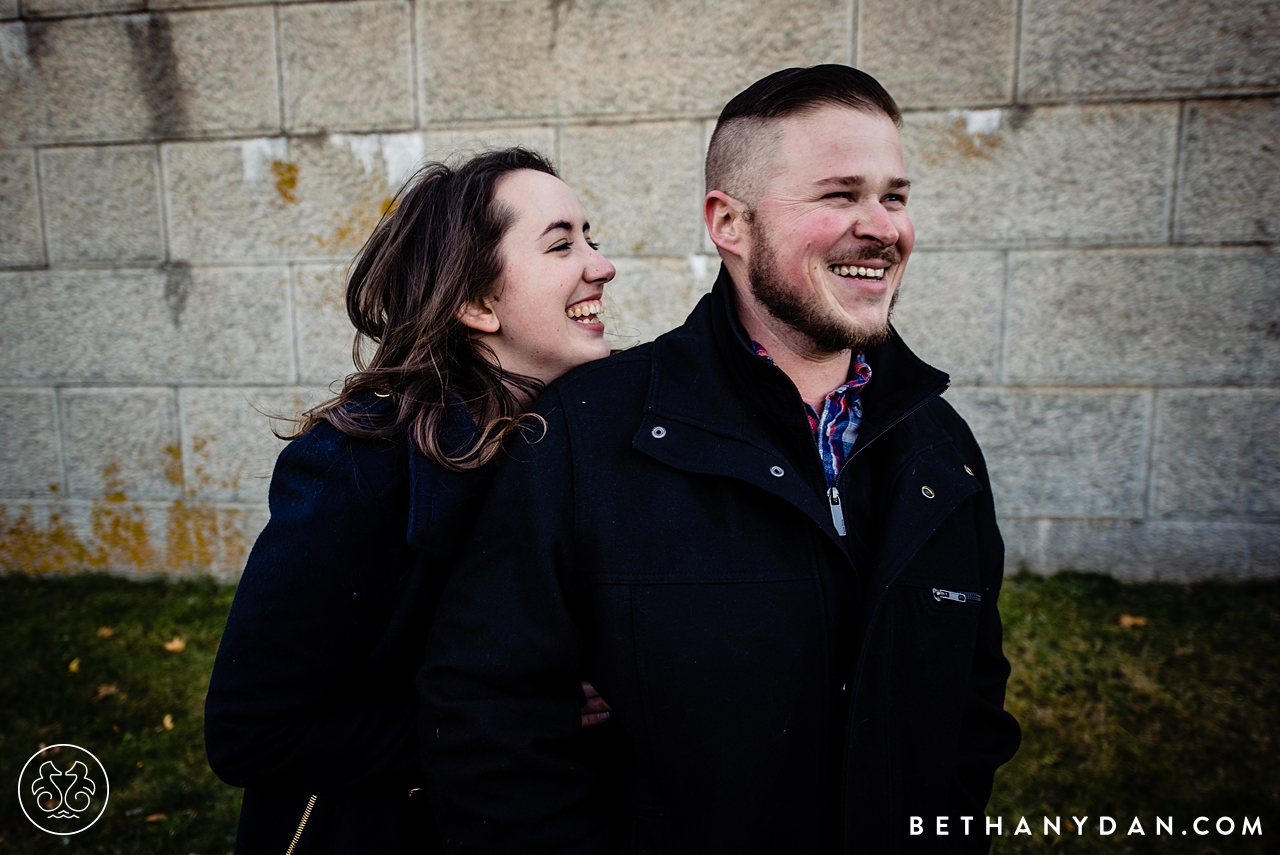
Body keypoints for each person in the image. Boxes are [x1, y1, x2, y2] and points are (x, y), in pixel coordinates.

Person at [419, 66, 1021, 853]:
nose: (882, 227)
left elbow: (970, 711)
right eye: (839, 195)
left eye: (895, 196)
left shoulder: (944, 450)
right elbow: (489, 720)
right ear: (728, 223)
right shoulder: (584, 432)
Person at [204, 147, 616, 855]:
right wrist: (503, 723)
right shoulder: (355, 472)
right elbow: (251, 732)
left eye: (591, 237)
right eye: (561, 244)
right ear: (477, 303)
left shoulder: (581, 439)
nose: (601, 265)